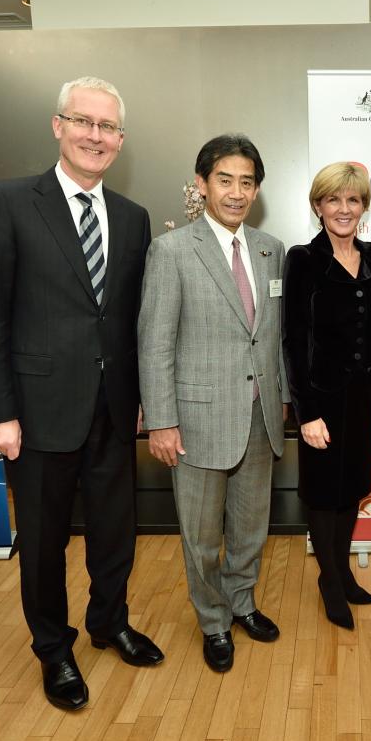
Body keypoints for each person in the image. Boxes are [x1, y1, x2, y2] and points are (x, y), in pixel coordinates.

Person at [0, 75, 161, 713]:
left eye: (107, 128)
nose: (94, 136)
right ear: (58, 125)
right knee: (44, 543)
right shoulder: (9, 201)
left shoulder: (132, 218)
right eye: (84, 122)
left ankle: (109, 622)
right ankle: (54, 648)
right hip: (37, 412)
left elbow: (129, 320)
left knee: (115, 533)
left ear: (120, 140)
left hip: (111, 408)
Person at [139, 134, 288, 673]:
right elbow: (155, 341)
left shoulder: (272, 249)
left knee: (250, 527)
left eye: (247, 182)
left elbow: (273, 337)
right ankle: (212, 620)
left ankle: (242, 602)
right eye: (225, 180)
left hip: (259, 415)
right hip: (198, 418)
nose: (236, 192)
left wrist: (284, 399)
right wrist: (161, 421)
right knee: (201, 536)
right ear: (201, 185)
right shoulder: (172, 250)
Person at [281, 163, 371, 629]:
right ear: (318, 207)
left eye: (353, 200)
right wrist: (306, 411)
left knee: (351, 489)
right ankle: (329, 580)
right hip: (322, 399)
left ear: (364, 207)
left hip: (363, 396)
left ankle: (341, 572)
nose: (344, 209)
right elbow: (293, 338)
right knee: (323, 493)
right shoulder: (304, 258)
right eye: (334, 200)